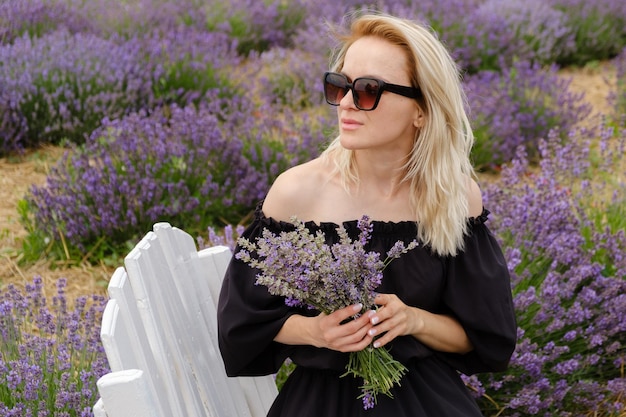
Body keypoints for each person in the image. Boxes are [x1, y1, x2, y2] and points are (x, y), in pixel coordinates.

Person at [217, 11, 517, 417]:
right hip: (320, 403)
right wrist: (317, 332)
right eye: (338, 85)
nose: (345, 103)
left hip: (427, 402)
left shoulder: (455, 198)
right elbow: (242, 324)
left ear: (422, 110)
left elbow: (483, 338)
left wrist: (413, 321)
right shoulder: (297, 193)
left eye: (368, 89)